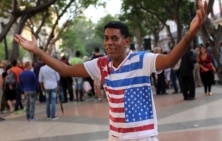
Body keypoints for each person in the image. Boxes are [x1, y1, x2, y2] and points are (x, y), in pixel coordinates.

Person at [14, 1, 207, 140]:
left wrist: (190, 34)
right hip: (115, 136)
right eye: (106, 38)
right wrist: (37, 50)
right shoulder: (101, 65)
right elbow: (65, 70)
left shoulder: (142, 60)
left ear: (126, 41)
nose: (109, 43)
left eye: (115, 38)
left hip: (142, 137)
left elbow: (169, 60)